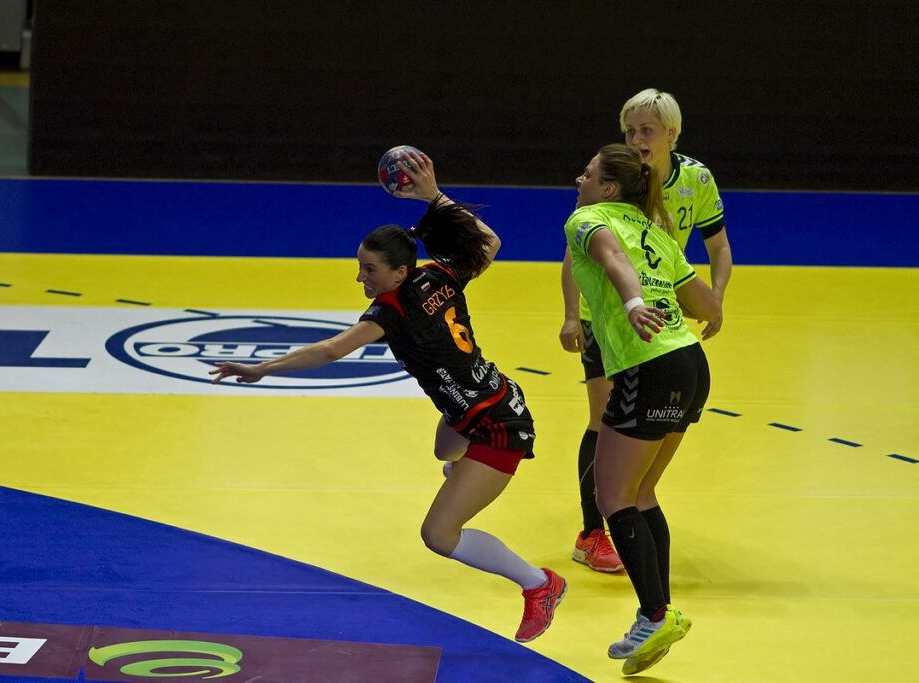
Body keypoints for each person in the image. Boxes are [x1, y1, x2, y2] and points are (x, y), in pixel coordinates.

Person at [210, 150, 566, 643]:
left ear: (399, 273)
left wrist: (261, 369)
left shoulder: (390, 310)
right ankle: (462, 471)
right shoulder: (440, 274)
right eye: (360, 267)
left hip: (498, 426)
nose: (361, 278)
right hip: (480, 400)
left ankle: (539, 584)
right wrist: (433, 196)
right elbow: (490, 241)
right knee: (444, 449)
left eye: (369, 270)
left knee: (438, 535)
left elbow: (331, 349)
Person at [559, 88, 733, 574]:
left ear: (671, 134)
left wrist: (715, 299)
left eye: (647, 131)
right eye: (630, 130)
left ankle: (633, 511)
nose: (636, 139)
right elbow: (582, 251)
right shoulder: (610, 176)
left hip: (660, 315)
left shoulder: (694, 179)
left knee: (642, 435)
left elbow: (718, 246)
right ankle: (592, 533)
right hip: (607, 316)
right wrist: (572, 314)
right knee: (602, 419)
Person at [563, 143, 720, 674]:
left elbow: (610, 256)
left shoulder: (587, 220)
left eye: (587, 174)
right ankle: (660, 613)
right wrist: (713, 306)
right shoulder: (657, 232)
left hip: (646, 365)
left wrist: (631, 303)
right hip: (690, 364)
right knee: (642, 492)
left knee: (612, 497)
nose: (579, 180)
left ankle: (654, 614)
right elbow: (705, 305)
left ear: (608, 188)